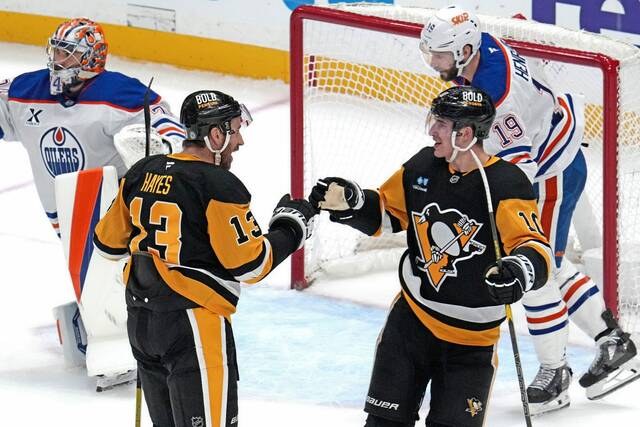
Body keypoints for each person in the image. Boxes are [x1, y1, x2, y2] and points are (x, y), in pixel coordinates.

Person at [419, 5, 638, 410]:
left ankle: (554, 374)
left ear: (465, 50)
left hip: (551, 169)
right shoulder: (480, 47)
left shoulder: (496, 98)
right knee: (550, 262)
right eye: (430, 53)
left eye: (441, 55)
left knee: (535, 268)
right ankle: (614, 342)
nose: (434, 63)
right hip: (553, 147)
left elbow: (520, 170)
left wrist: (495, 206)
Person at [310, 86, 551, 427]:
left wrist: (518, 270)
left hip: (472, 342)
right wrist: (353, 202)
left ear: (465, 134)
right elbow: (387, 212)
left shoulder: (505, 185)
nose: (431, 130)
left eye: (440, 123)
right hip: (411, 325)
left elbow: (535, 246)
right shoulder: (423, 165)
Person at [93, 89, 317, 427]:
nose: (239, 141)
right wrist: (290, 228)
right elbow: (251, 264)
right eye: (235, 130)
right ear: (215, 135)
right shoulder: (219, 184)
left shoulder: (141, 172)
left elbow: (106, 245)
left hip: (141, 322)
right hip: (191, 326)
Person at [0, 17, 185, 389]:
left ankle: (114, 344)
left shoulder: (121, 93)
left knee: (113, 274)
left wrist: (157, 145)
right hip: (60, 210)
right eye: (56, 50)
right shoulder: (27, 90)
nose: (57, 59)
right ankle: (87, 326)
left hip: (108, 208)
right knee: (93, 275)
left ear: (92, 59)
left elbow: (169, 129)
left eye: (68, 54)